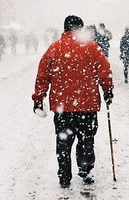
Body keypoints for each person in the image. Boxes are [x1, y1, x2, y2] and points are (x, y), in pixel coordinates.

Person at [32, 15, 114, 189]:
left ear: (65, 29)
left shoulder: (55, 48)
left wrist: (38, 99)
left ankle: (64, 175)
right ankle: (85, 169)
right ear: (81, 29)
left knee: (64, 141)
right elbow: (104, 71)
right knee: (86, 138)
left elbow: (42, 75)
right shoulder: (91, 47)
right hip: (87, 105)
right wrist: (107, 91)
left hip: (63, 107)